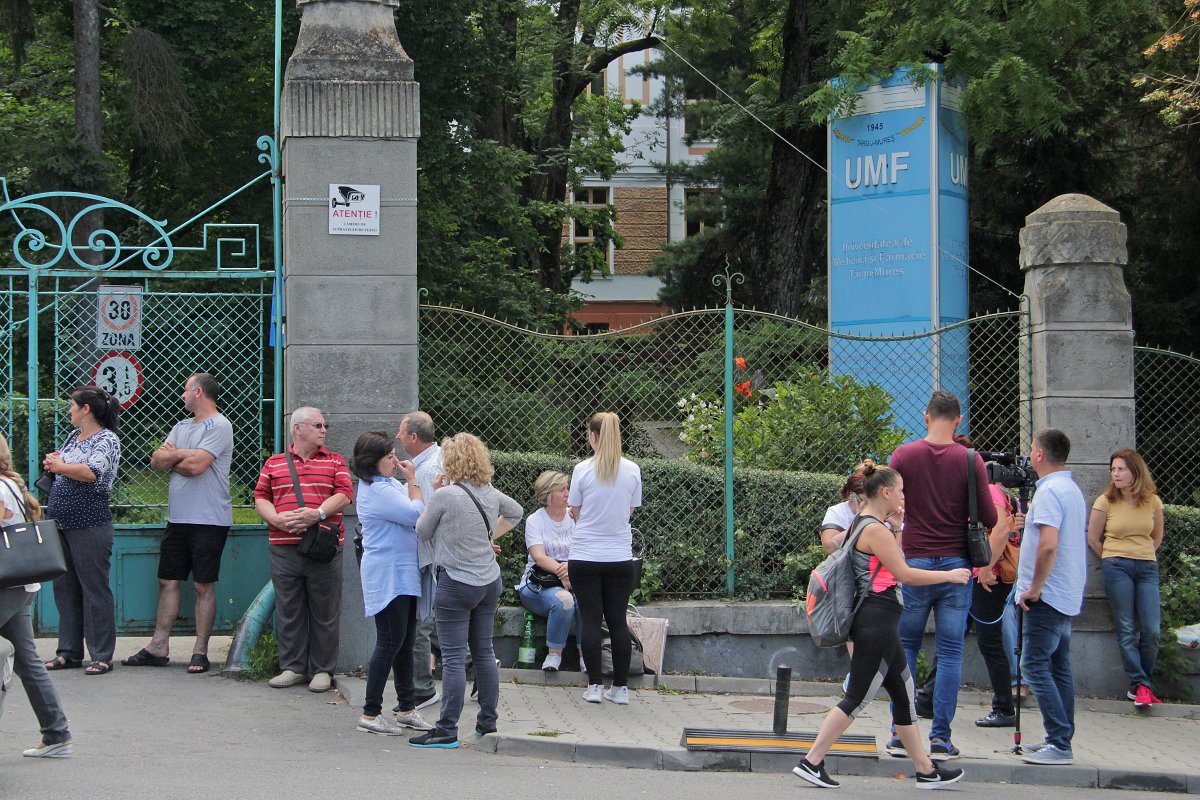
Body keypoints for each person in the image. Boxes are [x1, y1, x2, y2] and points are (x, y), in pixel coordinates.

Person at [792, 463, 967, 790]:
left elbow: (885, 565)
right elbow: (904, 573)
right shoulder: (874, 529)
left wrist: (896, 528)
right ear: (885, 492)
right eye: (900, 490)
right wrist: (949, 575)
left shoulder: (865, 522)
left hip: (879, 620)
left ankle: (925, 770)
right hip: (877, 621)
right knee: (857, 698)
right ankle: (811, 761)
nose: (903, 496)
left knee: (903, 694)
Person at [887, 391, 996, 759]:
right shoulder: (970, 459)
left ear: (926, 416)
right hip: (956, 568)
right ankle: (940, 738)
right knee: (950, 653)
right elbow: (989, 516)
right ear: (958, 419)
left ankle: (900, 734)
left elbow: (889, 503)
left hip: (914, 564)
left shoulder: (903, 455)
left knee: (906, 647)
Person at [410, 433, 523, 748]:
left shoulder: (446, 496)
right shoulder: (489, 492)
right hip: (489, 582)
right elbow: (516, 512)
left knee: (454, 657)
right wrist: (489, 537)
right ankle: (487, 722)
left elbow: (422, 530)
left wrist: (434, 494)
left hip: (456, 583)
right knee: (484, 652)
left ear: (452, 461)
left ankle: (446, 729)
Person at [123, 373, 234, 674]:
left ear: (198, 392)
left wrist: (175, 456)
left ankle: (200, 651)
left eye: (185, 390)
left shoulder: (220, 425)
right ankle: (158, 646)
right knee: (168, 580)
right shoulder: (181, 426)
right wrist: (180, 456)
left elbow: (197, 467)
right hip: (178, 518)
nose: (182, 395)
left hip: (209, 519)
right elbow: (156, 461)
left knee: (202, 584)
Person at [254, 406, 353, 693]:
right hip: (283, 546)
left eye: (324, 426)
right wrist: (275, 519)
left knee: (326, 611)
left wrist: (317, 514)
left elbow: (345, 494)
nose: (324, 430)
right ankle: (293, 667)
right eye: (318, 425)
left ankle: (322, 669)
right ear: (298, 428)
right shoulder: (273, 463)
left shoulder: (335, 460)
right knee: (289, 609)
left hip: (324, 547)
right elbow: (261, 496)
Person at [351, 431, 434, 735]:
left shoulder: (386, 484)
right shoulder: (377, 490)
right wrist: (413, 480)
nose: (396, 460)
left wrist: (409, 484)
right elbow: (416, 513)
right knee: (389, 643)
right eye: (389, 456)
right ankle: (370, 714)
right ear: (373, 461)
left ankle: (407, 708)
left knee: (404, 644)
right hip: (389, 576)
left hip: (403, 574)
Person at [1015, 429, 1087, 766]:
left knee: (1033, 665)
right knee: (1059, 667)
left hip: (1047, 595)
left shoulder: (1049, 492)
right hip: (1065, 592)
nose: (1030, 455)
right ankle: (1060, 737)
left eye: (1032, 449)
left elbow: (1048, 545)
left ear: (1040, 454)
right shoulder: (1070, 489)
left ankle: (1059, 743)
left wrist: (1035, 587)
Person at [0, 433, 73, 757]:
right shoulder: (9, 484)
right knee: (28, 662)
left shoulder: (0, 487)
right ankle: (57, 734)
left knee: (27, 662)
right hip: (19, 584)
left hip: (7, 586)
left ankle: (57, 734)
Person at [42, 385, 121, 676]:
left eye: (72, 406)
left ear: (85, 409)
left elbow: (91, 472)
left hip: (89, 523)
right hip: (61, 522)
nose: (69, 410)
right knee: (65, 588)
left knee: (94, 588)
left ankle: (101, 655)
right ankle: (69, 651)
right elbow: (63, 464)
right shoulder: (73, 437)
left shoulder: (107, 439)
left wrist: (60, 466)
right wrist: (53, 462)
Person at [569, 412, 643, 706]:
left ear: (593, 436)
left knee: (590, 619)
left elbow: (575, 511)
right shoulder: (632, 469)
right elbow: (629, 511)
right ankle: (621, 688)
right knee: (617, 620)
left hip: (585, 555)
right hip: (619, 557)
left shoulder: (582, 470)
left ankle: (595, 687)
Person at [1087, 448, 1165, 709]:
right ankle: (1141, 685)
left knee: (1152, 630)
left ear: (1135, 471)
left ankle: (1141, 686)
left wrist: (1142, 554)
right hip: (1116, 566)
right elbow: (1093, 538)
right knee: (1126, 627)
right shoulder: (1105, 501)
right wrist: (1112, 557)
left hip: (1147, 567)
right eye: (1113, 469)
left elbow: (1157, 536)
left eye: (1121, 469)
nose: (1115, 474)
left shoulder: (1152, 501)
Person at [396, 411, 443, 711]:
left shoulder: (425, 471)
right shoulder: (435, 460)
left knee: (421, 623)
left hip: (429, 557)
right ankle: (481, 662)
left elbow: (424, 518)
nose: (397, 437)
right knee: (441, 620)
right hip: (437, 556)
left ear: (414, 437)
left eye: (401, 432)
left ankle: (423, 690)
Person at [518, 470, 582, 671]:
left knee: (587, 601)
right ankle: (554, 655)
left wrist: (571, 568)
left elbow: (586, 549)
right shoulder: (535, 520)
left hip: (574, 577)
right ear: (548, 494)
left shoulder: (576, 516)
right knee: (564, 600)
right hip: (538, 583)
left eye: (567, 488)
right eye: (561, 489)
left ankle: (587, 656)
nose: (567, 493)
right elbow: (539, 556)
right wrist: (563, 574)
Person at [819, 467, 866, 554]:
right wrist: (858, 521)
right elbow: (830, 547)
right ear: (852, 496)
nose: (871, 505)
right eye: (865, 500)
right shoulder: (837, 511)